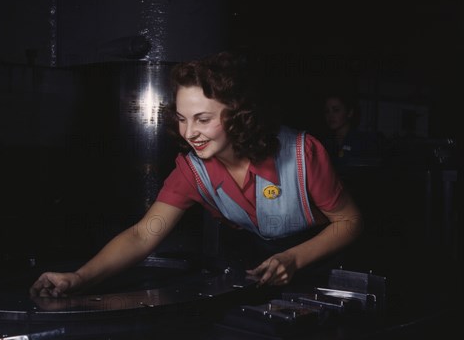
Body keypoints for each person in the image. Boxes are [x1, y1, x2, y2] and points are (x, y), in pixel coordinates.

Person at [30, 52, 362, 298]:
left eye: (203, 119)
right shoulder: (191, 171)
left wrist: (295, 258)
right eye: (182, 118)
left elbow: (349, 222)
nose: (189, 132)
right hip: (264, 273)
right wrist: (79, 278)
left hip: (324, 268)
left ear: (239, 115)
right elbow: (143, 234)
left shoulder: (303, 153)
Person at [322, 93, 382, 173]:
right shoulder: (325, 143)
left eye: (336, 110)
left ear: (349, 113)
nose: (330, 115)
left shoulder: (364, 141)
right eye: (327, 111)